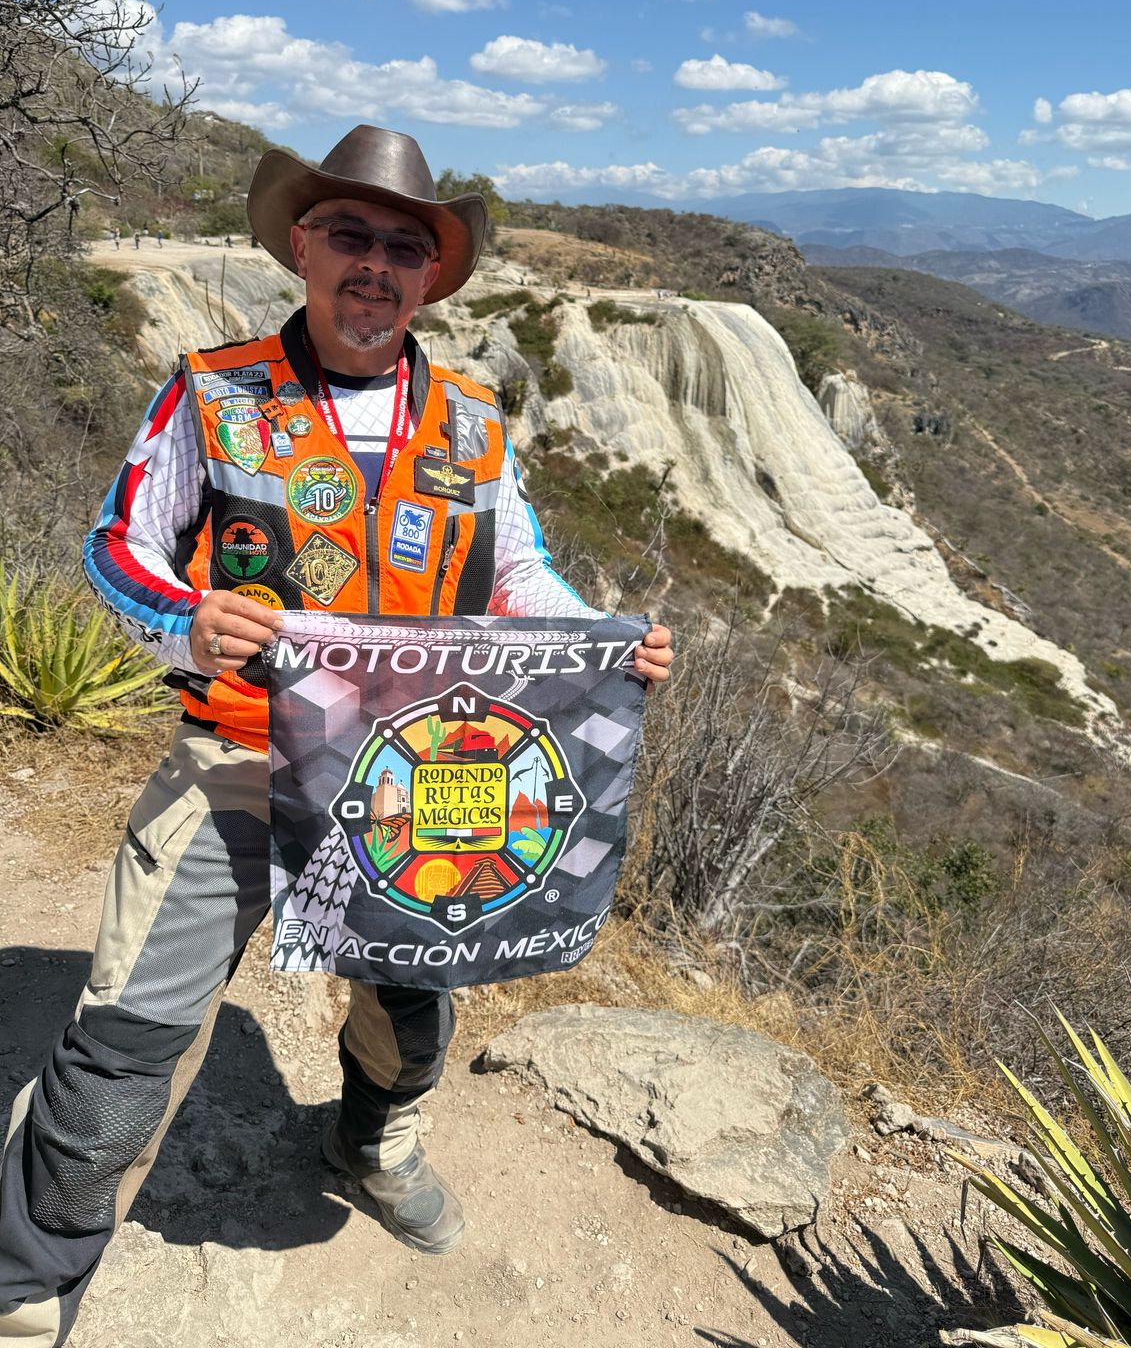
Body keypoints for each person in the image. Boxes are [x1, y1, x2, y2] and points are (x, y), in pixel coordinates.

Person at [0, 125, 675, 1344]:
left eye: (403, 247)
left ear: (432, 276)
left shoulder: (471, 422)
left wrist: (604, 641)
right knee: (125, 1039)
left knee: (413, 1006)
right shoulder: (214, 391)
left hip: (414, 770)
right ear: (302, 246)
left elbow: (519, 572)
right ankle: (29, 1285)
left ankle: (371, 1141)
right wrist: (181, 622)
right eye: (350, 237)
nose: (375, 265)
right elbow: (117, 545)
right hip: (239, 759)